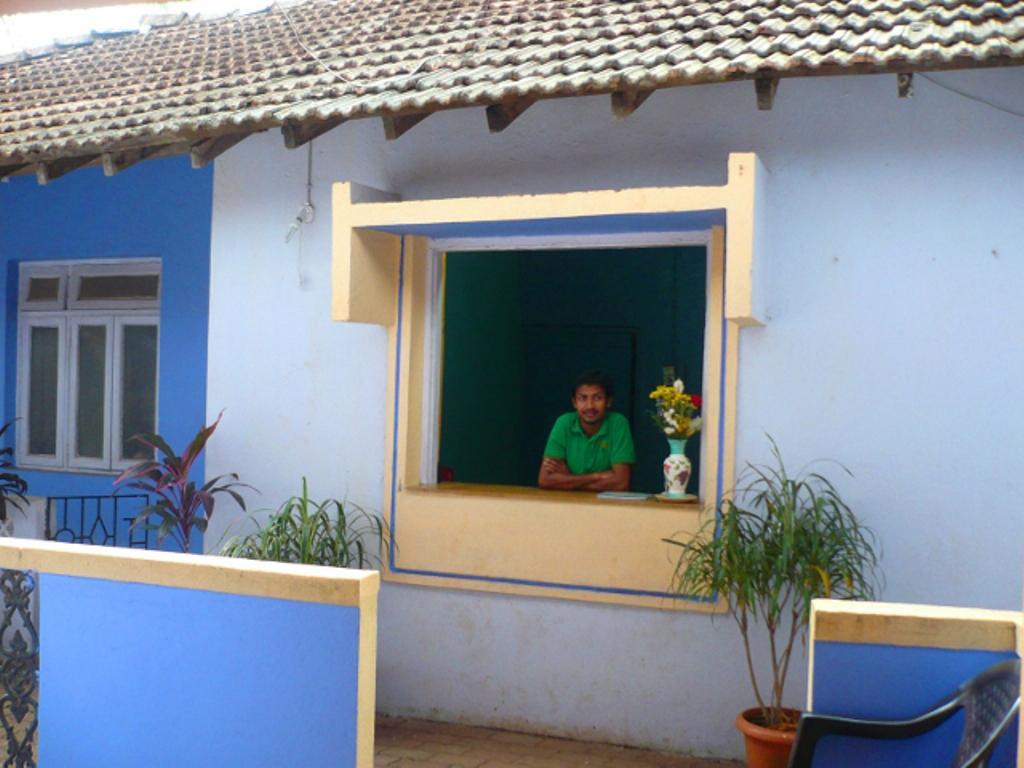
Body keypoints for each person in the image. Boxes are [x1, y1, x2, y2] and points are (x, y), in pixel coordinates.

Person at [538, 370, 635, 491]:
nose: (590, 406)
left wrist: (568, 479)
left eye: (597, 398)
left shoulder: (618, 423)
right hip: (566, 502)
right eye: (583, 398)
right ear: (574, 402)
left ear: (609, 401)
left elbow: (621, 483)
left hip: (605, 503)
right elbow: (545, 480)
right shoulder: (564, 423)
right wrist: (596, 476)